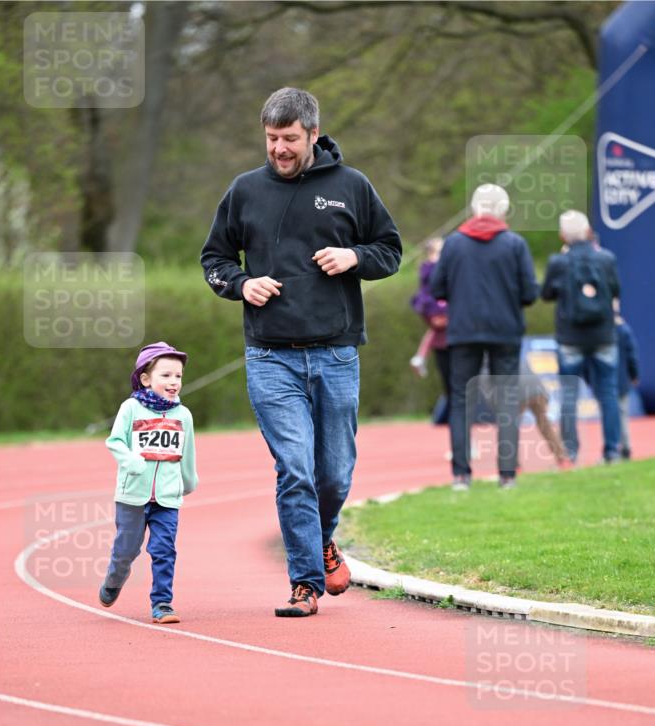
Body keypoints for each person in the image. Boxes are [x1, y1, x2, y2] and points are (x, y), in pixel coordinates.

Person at [200, 87, 401, 617]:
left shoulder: (351, 186)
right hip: (270, 357)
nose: (279, 149)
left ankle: (322, 540)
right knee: (295, 469)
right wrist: (241, 284)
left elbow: (391, 251)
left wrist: (353, 256)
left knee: (334, 474)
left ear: (313, 133)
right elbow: (215, 258)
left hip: (335, 354)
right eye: (271, 139)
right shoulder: (244, 190)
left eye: (289, 139)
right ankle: (305, 583)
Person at [430, 184, 538, 490]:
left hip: (464, 331)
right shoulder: (515, 244)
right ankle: (507, 475)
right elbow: (530, 293)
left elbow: (437, 289)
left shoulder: (453, 244)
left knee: (462, 400)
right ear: (503, 210)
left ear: (475, 208)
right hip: (505, 331)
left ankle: (461, 475)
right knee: (506, 401)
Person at [99, 342, 198, 624]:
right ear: (146, 378)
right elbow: (115, 441)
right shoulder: (131, 408)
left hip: (167, 498)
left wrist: (188, 482)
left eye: (178, 376)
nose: (173, 382)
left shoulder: (184, 416)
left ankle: (162, 603)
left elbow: (187, 453)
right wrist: (131, 462)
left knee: (164, 549)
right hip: (132, 496)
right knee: (127, 550)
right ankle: (115, 577)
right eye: (165, 375)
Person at [541, 210, 621, 463]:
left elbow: (546, 294)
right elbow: (616, 289)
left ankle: (570, 453)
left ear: (563, 235)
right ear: (588, 232)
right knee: (608, 393)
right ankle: (612, 451)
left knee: (568, 396)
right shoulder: (606, 258)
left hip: (570, 337)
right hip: (603, 335)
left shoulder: (559, 263)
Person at [409, 238, 450, 422]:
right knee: (438, 329)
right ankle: (420, 356)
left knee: (434, 333)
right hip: (436, 305)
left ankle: (420, 355)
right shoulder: (435, 266)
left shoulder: (426, 266)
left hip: (429, 306)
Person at [614, 307, 640, 460]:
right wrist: (634, 374)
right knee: (622, 413)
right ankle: (625, 447)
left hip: (609, 381)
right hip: (623, 379)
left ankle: (615, 447)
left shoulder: (604, 332)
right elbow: (632, 355)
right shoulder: (625, 331)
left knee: (613, 414)